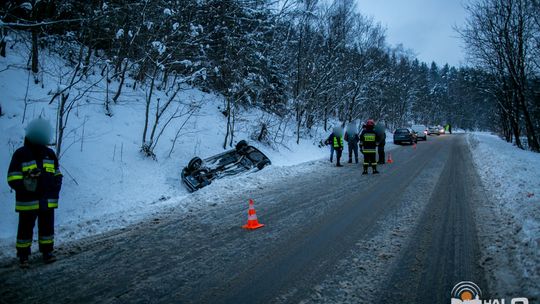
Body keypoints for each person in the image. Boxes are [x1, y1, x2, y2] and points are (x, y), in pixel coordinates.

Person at [7, 118, 62, 268]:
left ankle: (47, 252)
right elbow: (12, 177)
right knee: (25, 229)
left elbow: (57, 174)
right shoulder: (21, 154)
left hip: (47, 200)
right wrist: (27, 182)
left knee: (47, 228)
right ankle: (23, 256)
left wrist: (56, 185)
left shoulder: (49, 154)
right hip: (28, 202)